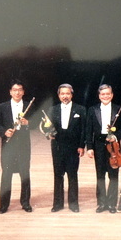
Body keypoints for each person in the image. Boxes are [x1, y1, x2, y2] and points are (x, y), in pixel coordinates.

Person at [85, 84, 121, 213]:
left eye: (108, 94)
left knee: (113, 175)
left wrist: (116, 136)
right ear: (99, 96)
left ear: (112, 95)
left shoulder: (118, 109)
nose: (105, 96)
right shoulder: (92, 110)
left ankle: (112, 204)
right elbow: (89, 130)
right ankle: (102, 203)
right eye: (103, 94)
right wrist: (89, 147)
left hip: (114, 146)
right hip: (98, 145)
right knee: (100, 175)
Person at [46, 83, 87, 212]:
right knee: (58, 175)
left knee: (72, 175)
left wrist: (81, 146)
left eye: (67, 93)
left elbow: (83, 129)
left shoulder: (80, 109)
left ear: (71, 95)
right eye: (62, 93)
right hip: (57, 146)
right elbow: (47, 127)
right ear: (59, 95)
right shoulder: (52, 109)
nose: (65, 96)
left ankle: (73, 204)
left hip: (73, 147)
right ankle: (57, 204)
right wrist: (48, 134)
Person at [0, 81, 33, 213]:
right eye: (14, 90)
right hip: (8, 144)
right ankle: (4, 204)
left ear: (23, 92)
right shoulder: (2, 107)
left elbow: (36, 122)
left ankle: (25, 203)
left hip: (23, 144)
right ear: (10, 92)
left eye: (20, 90)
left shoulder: (29, 105)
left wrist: (28, 123)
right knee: (6, 174)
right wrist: (4, 132)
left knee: (25, 174)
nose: (17, 92)